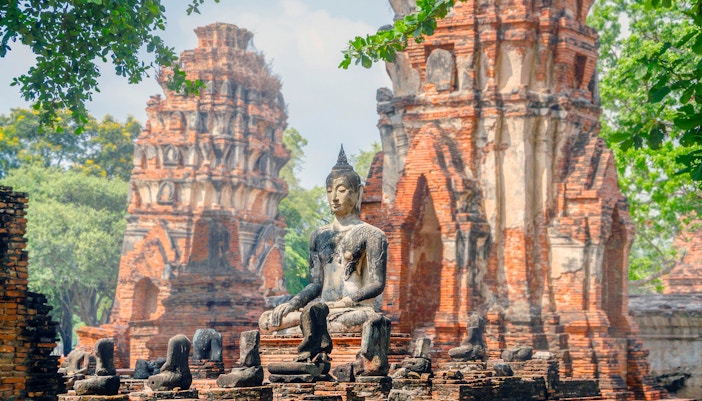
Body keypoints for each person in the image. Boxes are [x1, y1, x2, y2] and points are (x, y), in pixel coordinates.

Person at [259, 146, 388, 334]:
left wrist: (347, 301)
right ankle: (310, 323)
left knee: (364, 319)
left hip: (351, 309)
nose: (334, 197)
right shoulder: (318, 235)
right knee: (268, 320)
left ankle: (312, 325)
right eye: (329, 191)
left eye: (341, 190)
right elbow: (316, 284)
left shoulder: (372, 235)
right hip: (321, 308)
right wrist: (292, 303)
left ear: (358, 193)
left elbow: (377, 284)